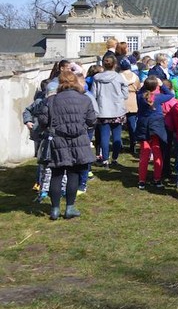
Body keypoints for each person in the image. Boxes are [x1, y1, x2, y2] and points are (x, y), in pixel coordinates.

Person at [38, 70, 97, 220]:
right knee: (74, 174)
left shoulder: (51, 100)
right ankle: (70, 207)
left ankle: (55, 209)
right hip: (78, 140)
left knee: (56, 175)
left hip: (58, 140)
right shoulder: (85, 99)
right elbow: (92, 120)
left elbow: (43, 121)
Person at [135, 76, 175, 189]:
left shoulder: (139, 96)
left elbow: (142, 90)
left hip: (144, 126)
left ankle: (141, 180)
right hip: (156, 127)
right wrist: (161, 84)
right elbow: (171, 95)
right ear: (156, 87)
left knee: (144, 154)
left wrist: (147, 83)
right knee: (157, 153)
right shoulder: (158, 98)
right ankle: (157, 179)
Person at [91, 54, 129, 166]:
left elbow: (94, 94)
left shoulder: (97, 78)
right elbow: (125, 94)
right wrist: (119, 97)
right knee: (117, 136)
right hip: (117, 109)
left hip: (102, 110)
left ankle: (105, 159)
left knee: (104, 136)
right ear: (115, 64)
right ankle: (115, 158)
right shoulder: (119, 77)